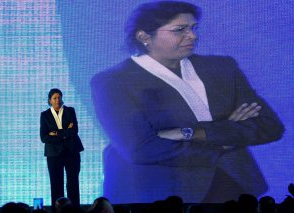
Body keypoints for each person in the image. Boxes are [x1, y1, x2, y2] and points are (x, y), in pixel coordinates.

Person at [90, 1, 284, 204]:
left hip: (234, 187)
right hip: (158, 193)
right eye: (180, 29)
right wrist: (225, 138)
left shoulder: (222, 68)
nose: (193, 35)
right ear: (144, 36)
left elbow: (270, 126)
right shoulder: (113, 81)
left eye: (193, 28)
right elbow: (140, 148)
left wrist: (188, 133)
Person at [40, 88, 84, 211]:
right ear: (50, 100)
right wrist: (65, 133)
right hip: (53, 154)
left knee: (73, 184)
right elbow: (44, 137)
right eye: (54, 98)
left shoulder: (70, 111)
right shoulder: (45, 115)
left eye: (59, 97)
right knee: (56, 185)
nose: (57, 100)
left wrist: (55, 134)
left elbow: (74, 131)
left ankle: (75, 210)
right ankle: (57, 210)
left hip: (72, 151)